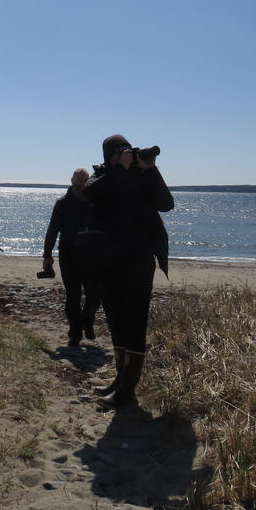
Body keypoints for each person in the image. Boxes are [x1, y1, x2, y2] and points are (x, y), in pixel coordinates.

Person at [83, 134, 174, 409]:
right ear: (109, 155)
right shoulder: (99, 177)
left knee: (134, 322)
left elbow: (166, 204)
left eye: (127, 151)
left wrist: (151, 169)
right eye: (120, 152)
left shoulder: (142, 176)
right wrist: (118, 170)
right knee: (116, 321)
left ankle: (127, 392)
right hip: (107, 260)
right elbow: (88, 195)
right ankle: (121, 381)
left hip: (138, 260)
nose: (126, 155)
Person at [43, 168, 102, 347]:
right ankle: (75, 332)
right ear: (72, 180)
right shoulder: (62, 203)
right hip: (69, 255)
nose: (82, 184)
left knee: (95, 295)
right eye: (78, 180)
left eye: (85, 180)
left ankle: (88, 321)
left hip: (93, 255)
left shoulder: (96, 202)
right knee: (72, 296)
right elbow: (52, 230)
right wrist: (47, 256)